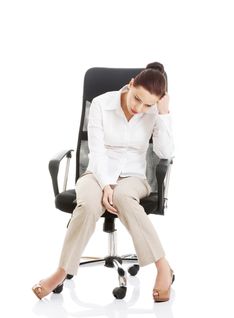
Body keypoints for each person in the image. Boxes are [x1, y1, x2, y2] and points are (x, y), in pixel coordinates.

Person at [32, 62, 175, 302]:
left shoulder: (153, 112)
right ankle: (62, 270)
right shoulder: (101, 104)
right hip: (97, 173)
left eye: (148, 104)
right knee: (87, 204)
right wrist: (107, 184)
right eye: (137, 99)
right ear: (131, 85)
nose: (140, 107)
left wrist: (163, 113)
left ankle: (163, 267)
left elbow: (165, 152)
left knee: (123, 197)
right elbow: (96, 150)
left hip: (134, 177)